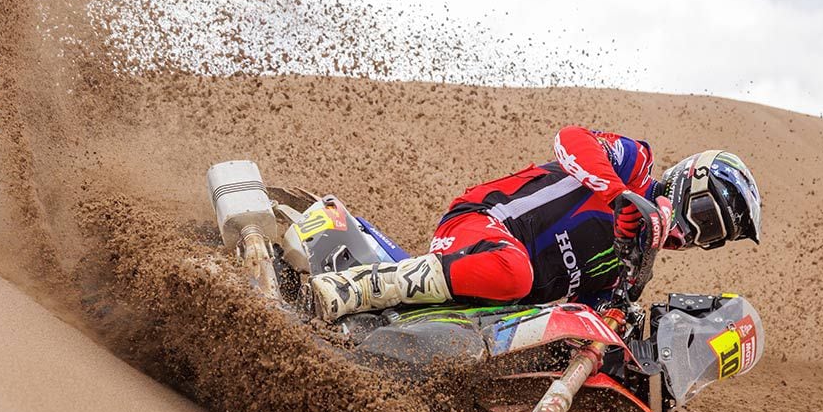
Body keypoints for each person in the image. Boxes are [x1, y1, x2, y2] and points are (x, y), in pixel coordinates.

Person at [310, 125, 761, 319]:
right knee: (514, 270)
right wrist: (616, 194)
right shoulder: (633, 164)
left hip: (492, 310)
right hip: (481, 224)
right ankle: (358, 287)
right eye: (703, 217)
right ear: (687, 181)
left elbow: (586, 316)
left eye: (711, 236)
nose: (692, 235)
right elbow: (571, 140)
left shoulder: (635, 267)